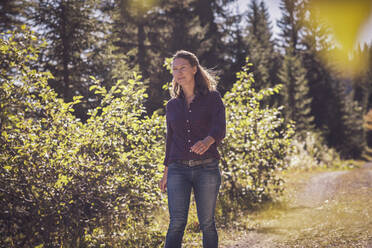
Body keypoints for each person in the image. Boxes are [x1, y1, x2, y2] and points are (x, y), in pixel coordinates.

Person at [159, 50, 226, 248]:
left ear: (195, 69)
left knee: (207, 223)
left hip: (207, 168)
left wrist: (208, 140)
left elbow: (220, 127)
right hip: (177, 170)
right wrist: (166, 172)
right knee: (176, 223)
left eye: (183, 68)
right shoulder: (172, 106)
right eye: (175, 69)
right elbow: (170, 140)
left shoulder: (213, 98)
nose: (178, 73)